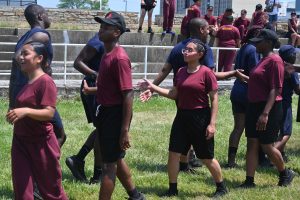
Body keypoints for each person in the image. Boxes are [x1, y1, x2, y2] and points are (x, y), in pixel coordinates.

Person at [139, 18, 246, 174]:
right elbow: (210, 75)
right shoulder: (203, 49)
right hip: (197, 98)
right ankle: (193, 161)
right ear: (201, 30)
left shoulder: (177, 48)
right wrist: (232, 73)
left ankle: (184, 163)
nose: (209, 31)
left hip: (180, 94)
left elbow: (164, 70)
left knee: (183, 129)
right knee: (193, 132)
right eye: (207, 29)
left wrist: (153, 87)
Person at [140, 39, 228, 197]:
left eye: (190, 50)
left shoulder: (207, 73)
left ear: (200, 54)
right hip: (182, 116)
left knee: (206, 157)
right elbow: (174, 94)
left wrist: (212, 124)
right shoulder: (180, 71)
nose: (185, 52)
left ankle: (221, 187)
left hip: (200, 117)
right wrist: (152, 88)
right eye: (185, 50)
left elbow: (214, 99)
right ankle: (172, 189)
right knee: (174, 153)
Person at [83, 11, 145, 200]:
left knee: (108, 165)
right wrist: (92, 91)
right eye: (101, 26)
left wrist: (124, 129)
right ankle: (135, 195)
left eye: (105, 27)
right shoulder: (107, 54)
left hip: (114, 115)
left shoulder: (119, 58)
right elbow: (110, 87)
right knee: (115, 157)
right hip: (105, 112)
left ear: (117, 32)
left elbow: (127, 94)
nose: (100, 30)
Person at [6, 41, 68, 200]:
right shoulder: (27, 82)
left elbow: (49, 113)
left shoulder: (46, 82)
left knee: (52, 193)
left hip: (42, 144)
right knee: (22, 191)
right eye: (21, 54)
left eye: (25, 53)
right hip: (21, 143)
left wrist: (25, 111)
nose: (21, 57)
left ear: (39, 58)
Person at [239, 29, 296, 188]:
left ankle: (285, 173)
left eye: (259, 42)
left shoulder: (275, 61)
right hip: (254, 106)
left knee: (266, 145)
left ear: (269, 43)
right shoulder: (262, 59)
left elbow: (275, 89)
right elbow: (261, 82)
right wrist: (245, 78)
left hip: (268, 108)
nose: (256, 44)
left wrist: (265, 114)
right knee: (252, 142)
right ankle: (249, 181)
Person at [8, 4, 66, 148]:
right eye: (47, 14)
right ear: (40, 16)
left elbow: (14, 70)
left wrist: (12, 99)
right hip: (34, 95)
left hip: (22, 93)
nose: (48, 17)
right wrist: (40, 77)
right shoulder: (41, 35)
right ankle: (46, 166)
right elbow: (17, 58)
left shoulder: (24, 37)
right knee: (59, 134)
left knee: (30, 134)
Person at [65, 34, 104, 184]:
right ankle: (97, 175)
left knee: (101, 128)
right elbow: (78, 62)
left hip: (98, 88)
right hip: (94, 88)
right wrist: (96, 75)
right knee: (102, 130)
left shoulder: (105, 42)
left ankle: (79, 159)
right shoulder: (97, 41)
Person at [226, 27, 261, 168]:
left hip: (237, 90)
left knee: (238, 127)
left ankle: (231, 161)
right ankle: (252, 159)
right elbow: (255, 73)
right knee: (252, 130)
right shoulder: (253, 49)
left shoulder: (243, 48)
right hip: (248, 91)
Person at [275, 45, 300, 162]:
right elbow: (297, 90)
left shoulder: (278, 66)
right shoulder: (291, 70)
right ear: (291, 56)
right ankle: (272, 154)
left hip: (275, 101)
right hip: (285, 103)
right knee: (286, 132)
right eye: (295, 54)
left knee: (279, 130)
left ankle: (281, 154)